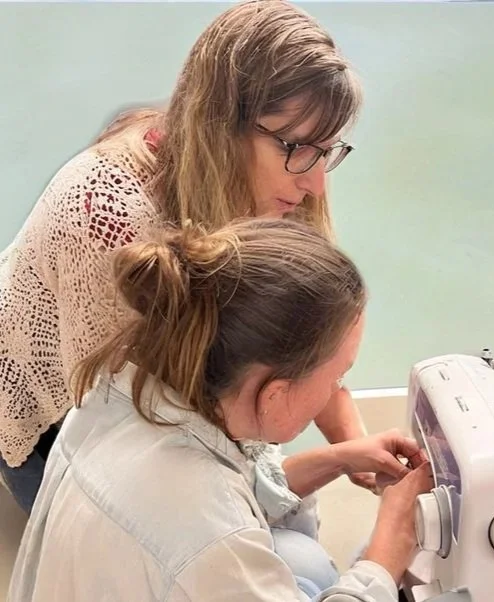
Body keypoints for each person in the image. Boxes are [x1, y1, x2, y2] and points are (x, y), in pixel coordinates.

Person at [0, 0, 374, 514]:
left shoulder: (286, 177)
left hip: (165, 400)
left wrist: (353, 449)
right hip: (57, 422)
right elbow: (119, 432)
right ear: (222, 124)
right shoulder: (106, 209)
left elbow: (311, 331)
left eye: (328, 150)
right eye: (298, 149)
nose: (314, 183)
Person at [8, 218, 432, 602]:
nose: (335, 390)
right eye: (338, 376)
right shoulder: (211, 533)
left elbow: (221, 501)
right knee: (324, 564)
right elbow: (210, 530)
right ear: (275, 394)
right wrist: (388, 547)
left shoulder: (117, 399)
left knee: (299, 559)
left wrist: (338, 458)